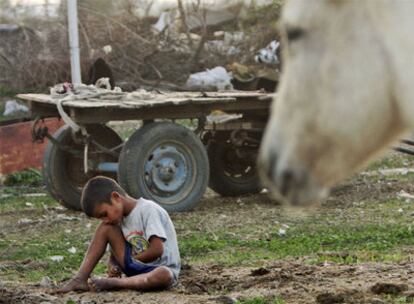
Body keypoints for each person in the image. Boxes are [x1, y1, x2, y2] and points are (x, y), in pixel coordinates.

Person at [57, 176, 180, 292]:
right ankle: (80, 278)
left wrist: (130, 261)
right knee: (105, 228)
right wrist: (114, 265)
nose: (105, 220)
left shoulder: (148, 210)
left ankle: (116, 283)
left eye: (104, 214)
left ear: (116, 197)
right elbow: (114, 255)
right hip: (135, 268)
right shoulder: (118, 219)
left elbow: (156, 250)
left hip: (158, 269)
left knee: (163, 275)